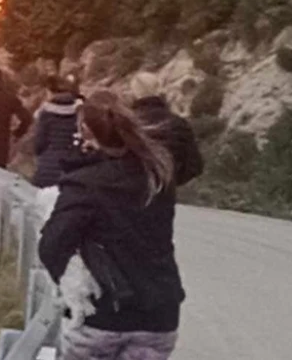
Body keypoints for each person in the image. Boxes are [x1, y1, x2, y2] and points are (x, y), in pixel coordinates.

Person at [38, 91, 185, 360]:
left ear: (85, 131)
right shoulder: (158, 174)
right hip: (160, 316)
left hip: (103, 316)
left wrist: (74, 289)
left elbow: (52, 244)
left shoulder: (85, 184)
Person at [128, 72, 204, 188]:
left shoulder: (126, 124)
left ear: (134, 93)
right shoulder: (179, 124)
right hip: (165, 196)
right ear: (159, 90)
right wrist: (170, 181)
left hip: (131, 194)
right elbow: (195, 165)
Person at [32, 75, 85, 188]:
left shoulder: (46, 114)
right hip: (70, 169)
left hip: (47, 169)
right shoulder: (79, 111)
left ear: (50, 91)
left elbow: (38, 145)